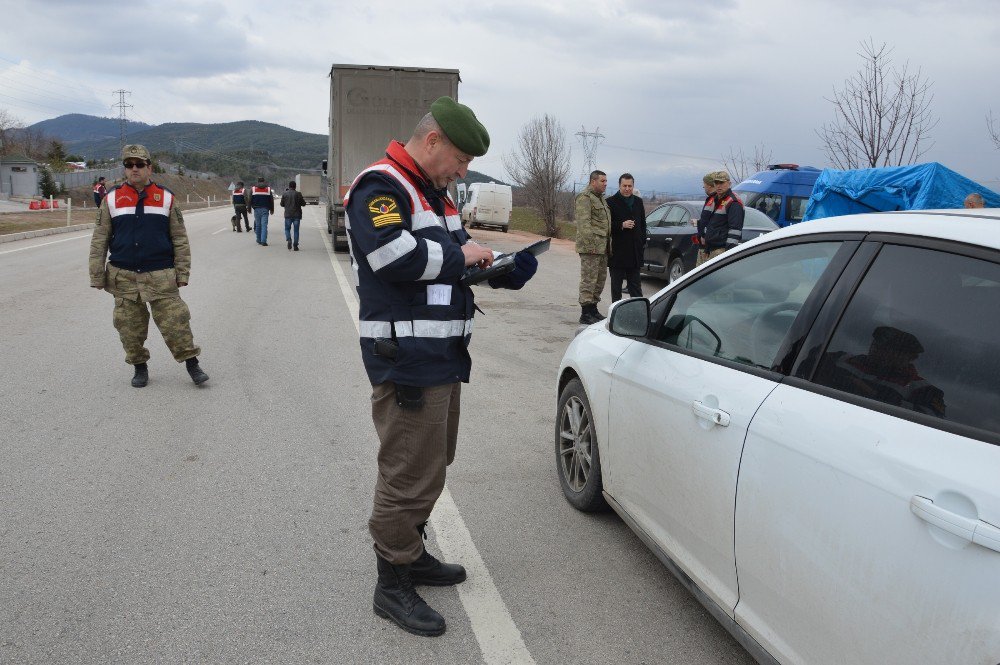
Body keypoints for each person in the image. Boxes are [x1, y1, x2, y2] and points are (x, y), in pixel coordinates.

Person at [345, 96, 537, 638]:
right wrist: (465, 257)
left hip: (442, 356)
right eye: (461, 159)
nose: (464, 170)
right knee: (407, 472)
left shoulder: (437, 196)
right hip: (406, 359)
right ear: (432, 141)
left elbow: (456, 261)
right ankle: (392, 583)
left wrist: (501, 269)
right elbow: (393, 258)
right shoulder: (380, 186)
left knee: (432, 462)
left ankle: (413, 553)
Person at [88, 144, 208, 388]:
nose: (134, 169)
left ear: (149, 167)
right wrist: (96, 275)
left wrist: (182, 272)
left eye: (139, 164)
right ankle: (139, 367)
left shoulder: (166, 197)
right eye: (129, 165)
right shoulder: (111, 198)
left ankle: (192, 364)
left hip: (161, 275)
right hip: (124, 276)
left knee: (177, 323)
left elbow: (180, 239)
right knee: (129, 329)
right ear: (125, 168)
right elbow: (99, 239)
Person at [575, 170, 611, 323]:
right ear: (593, 181)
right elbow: (584, 226)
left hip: (602, 248)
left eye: (606, 181)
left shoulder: (601, 199)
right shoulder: (585, 198)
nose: (605, 184)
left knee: (599, 280)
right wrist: (591, 247)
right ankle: (585, 313)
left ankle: (593, 309)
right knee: (589, 280)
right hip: (591, 248)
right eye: (602, 181)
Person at [605, 173, 646, 301]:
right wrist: (621, 225)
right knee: (616, 288)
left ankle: (639, 314)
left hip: (634, 252)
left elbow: (643, 224)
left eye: (630, 186)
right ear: (619, 186)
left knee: (636, 287)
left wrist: (641, 241)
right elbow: (605, 225)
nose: (627, 189)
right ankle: (616, 315)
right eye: (624, 186)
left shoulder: (638, 202)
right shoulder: (610, 202)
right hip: (617, 252)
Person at [696, 171, 744, 266]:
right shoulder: (713, 199)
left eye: (721, 183)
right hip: (708, 249)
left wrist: (729, 254)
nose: (718, 186)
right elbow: (708, 223)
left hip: (721, 251)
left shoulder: (734, 202)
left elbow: (735, 231)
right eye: (716, 183)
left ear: (729, 184)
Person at [280, 180, 307, 251]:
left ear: (289, 186)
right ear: (295, 186)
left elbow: (282, 204)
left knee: (287, 229)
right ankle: (295, 246)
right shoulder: (298, 194)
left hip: (288, 215)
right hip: (297, 215)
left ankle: (289, 239)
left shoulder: (285, 194)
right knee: (296, 231)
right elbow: (303, 204)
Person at [250, 177, 274, 245]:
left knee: (258, 225)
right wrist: (272, 209)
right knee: (264, 225)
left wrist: (249, 208)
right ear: (264, 181)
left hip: (256, 209)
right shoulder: (268, 189)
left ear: (258, 181)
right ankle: (263, 241)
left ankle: (258, 239)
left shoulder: (253, 189)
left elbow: (249, 199)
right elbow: (271, 200)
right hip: (265, 209)